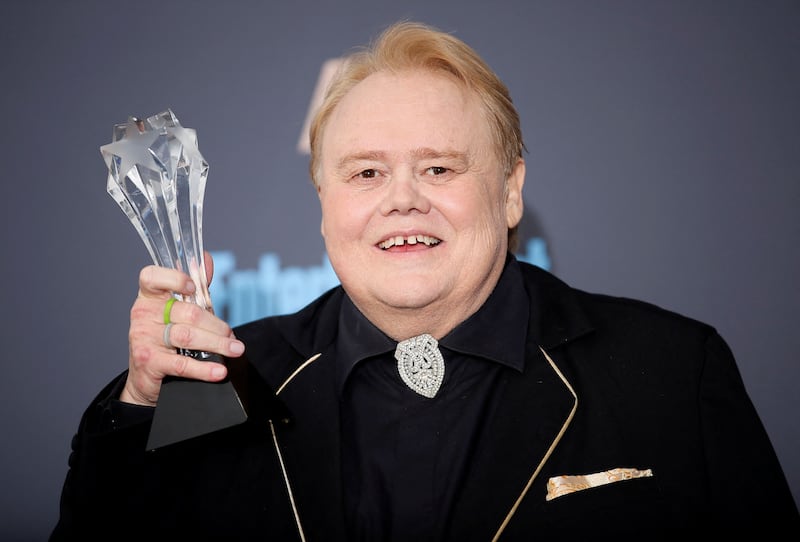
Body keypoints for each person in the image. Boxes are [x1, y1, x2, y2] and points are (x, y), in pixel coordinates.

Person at [51, 20, 798, 540]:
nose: (401, 197)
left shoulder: (671, 369)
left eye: (439, 168)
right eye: (366, 172)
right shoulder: (220, 384)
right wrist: (144, 407)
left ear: (510, 191)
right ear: (324, 204)